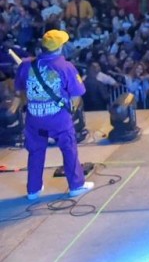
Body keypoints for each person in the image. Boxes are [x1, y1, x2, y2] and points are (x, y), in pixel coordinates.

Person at [13, 30, 93, 200]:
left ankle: (33, 190)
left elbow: (19, 92)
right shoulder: (66, 66)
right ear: (60, 47)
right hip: (58, 119)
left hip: (35, 119)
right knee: (68, 148)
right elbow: (76, 95)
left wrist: (34, 103)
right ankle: (76, 185)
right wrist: (71, 110)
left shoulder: (26, 65)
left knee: (35, 151)